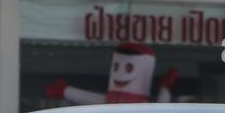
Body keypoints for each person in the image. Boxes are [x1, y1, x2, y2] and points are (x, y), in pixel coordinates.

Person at [45, 42, 178, 105]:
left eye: (129, 68)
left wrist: (164, 88)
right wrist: (66, 91)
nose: (120, 74)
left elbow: (160, 110)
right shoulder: (110, 102)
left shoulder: (143, 107)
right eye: (116, 67)